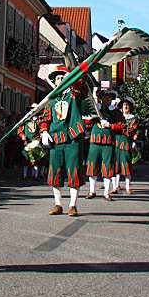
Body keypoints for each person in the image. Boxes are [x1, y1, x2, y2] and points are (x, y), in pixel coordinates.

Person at [40, 66, 93, 216]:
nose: (60, 80)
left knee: (73, 171)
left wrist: (73, 76)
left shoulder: (75, 93)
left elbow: (82, 86)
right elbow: (45, 118)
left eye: (63, 77)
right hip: (56, 139)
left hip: (73, 137)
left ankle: (72, 205)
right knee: (55, 172)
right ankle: (58, 204)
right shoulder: (51, 99)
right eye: (57, 78)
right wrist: (44, 131)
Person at [114, 99, 139, 195]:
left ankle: (128, 188)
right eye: (124, 105)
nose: (126, 106)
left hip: (126, 143)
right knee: (116, 166)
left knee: (126, 165)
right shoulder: (117, 117)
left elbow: (132, 130)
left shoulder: (133, 118)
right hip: (117, 143)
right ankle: (116, 187)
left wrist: (119, 128)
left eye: (127, 105)